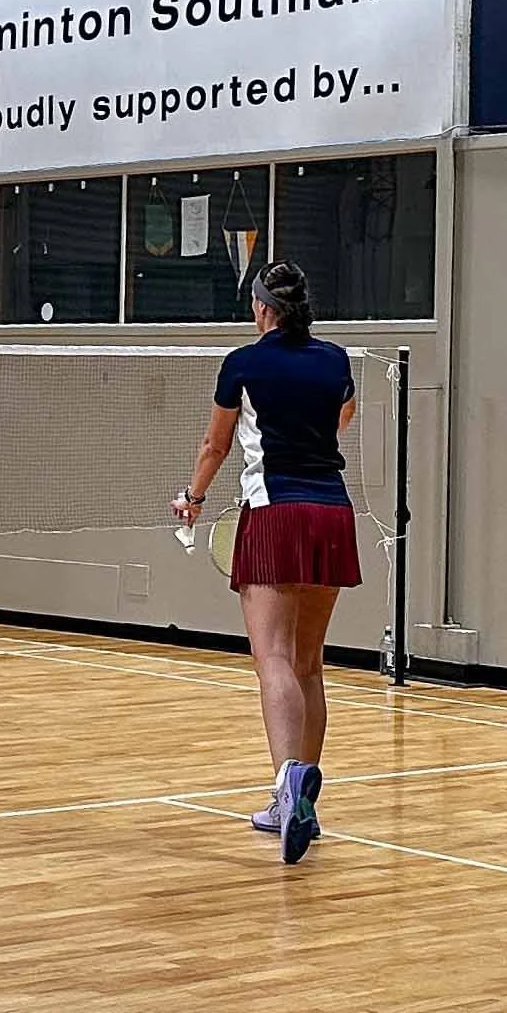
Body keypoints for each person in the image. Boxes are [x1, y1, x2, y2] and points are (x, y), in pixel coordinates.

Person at [173, 261, 361, 865]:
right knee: (309, 662)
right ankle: (303, 792)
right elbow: (344, 417)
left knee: (272, 659)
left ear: (261, 308)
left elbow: (216, 444)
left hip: (274, 508)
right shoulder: (335, 361)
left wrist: (193, 498)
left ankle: (287, 788)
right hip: (332, 511)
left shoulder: (244, 363)